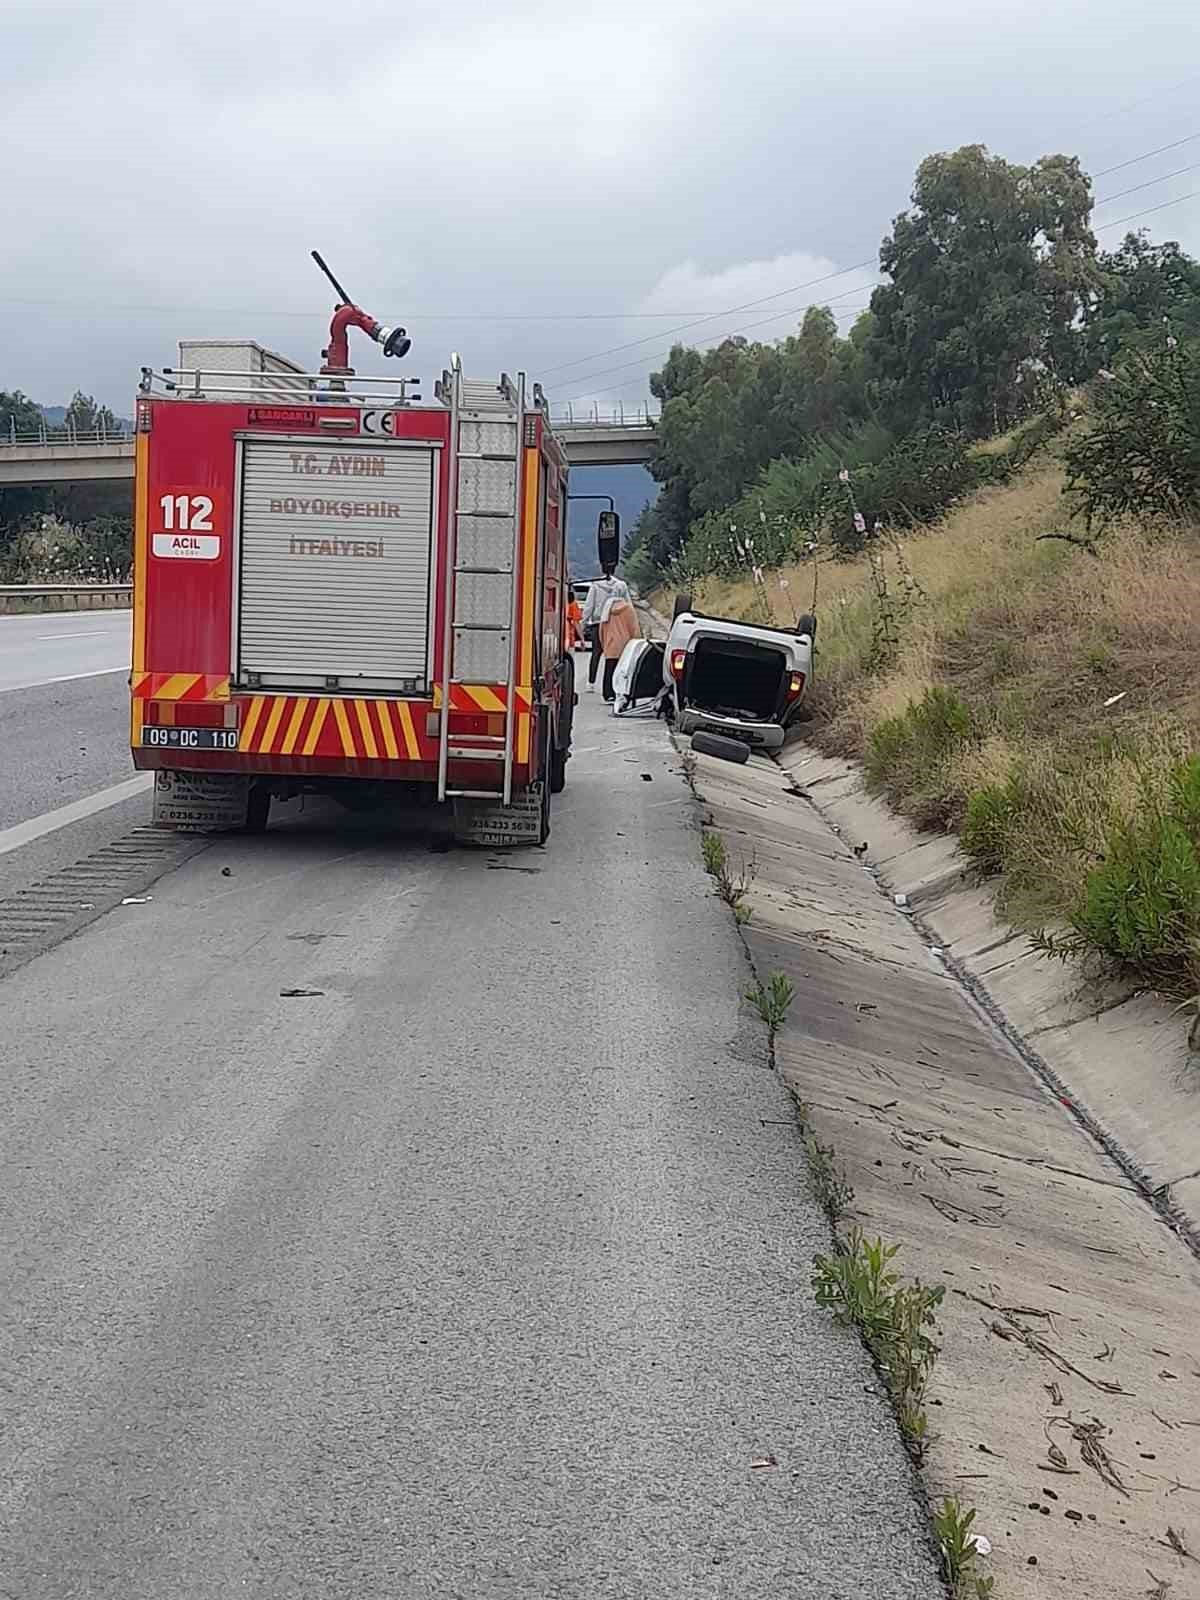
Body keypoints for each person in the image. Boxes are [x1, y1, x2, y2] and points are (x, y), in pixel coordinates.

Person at [580, 564, 626, 692]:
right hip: (613, 624)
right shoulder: (621, 585)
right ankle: (611, 685)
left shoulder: (595, 585)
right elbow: (626, 604)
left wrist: (583, 624)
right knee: (612, 655)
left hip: (597, 623)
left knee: (596, 653)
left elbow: (589, 606)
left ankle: (591, 683)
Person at [599, 587, 640, 704]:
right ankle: (620, 693)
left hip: (610, 644)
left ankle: (608, 694)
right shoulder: (628, 609)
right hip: (625, 645)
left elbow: (601, 628)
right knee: (623, 672)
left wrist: (604, 643)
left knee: (609, 670)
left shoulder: (606, 609)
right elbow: (634, 628)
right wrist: (635, 642)